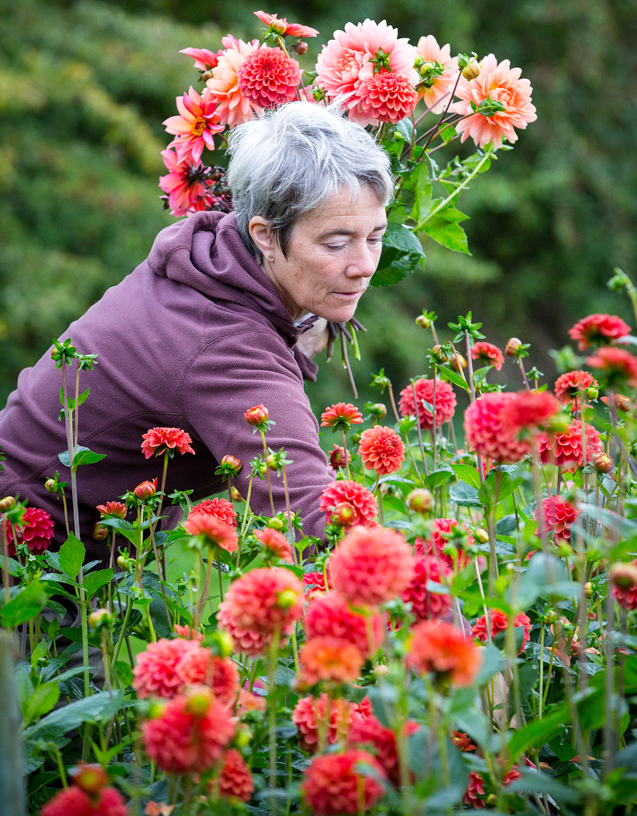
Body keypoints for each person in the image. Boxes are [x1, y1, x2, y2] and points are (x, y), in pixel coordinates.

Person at [0, 102, 392, 557]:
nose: (365, 265)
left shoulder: (207, 261)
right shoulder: (223, 344)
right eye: (337, 243)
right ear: (265, 235)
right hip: (25, 560)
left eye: (375, 237)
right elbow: (313, 519)